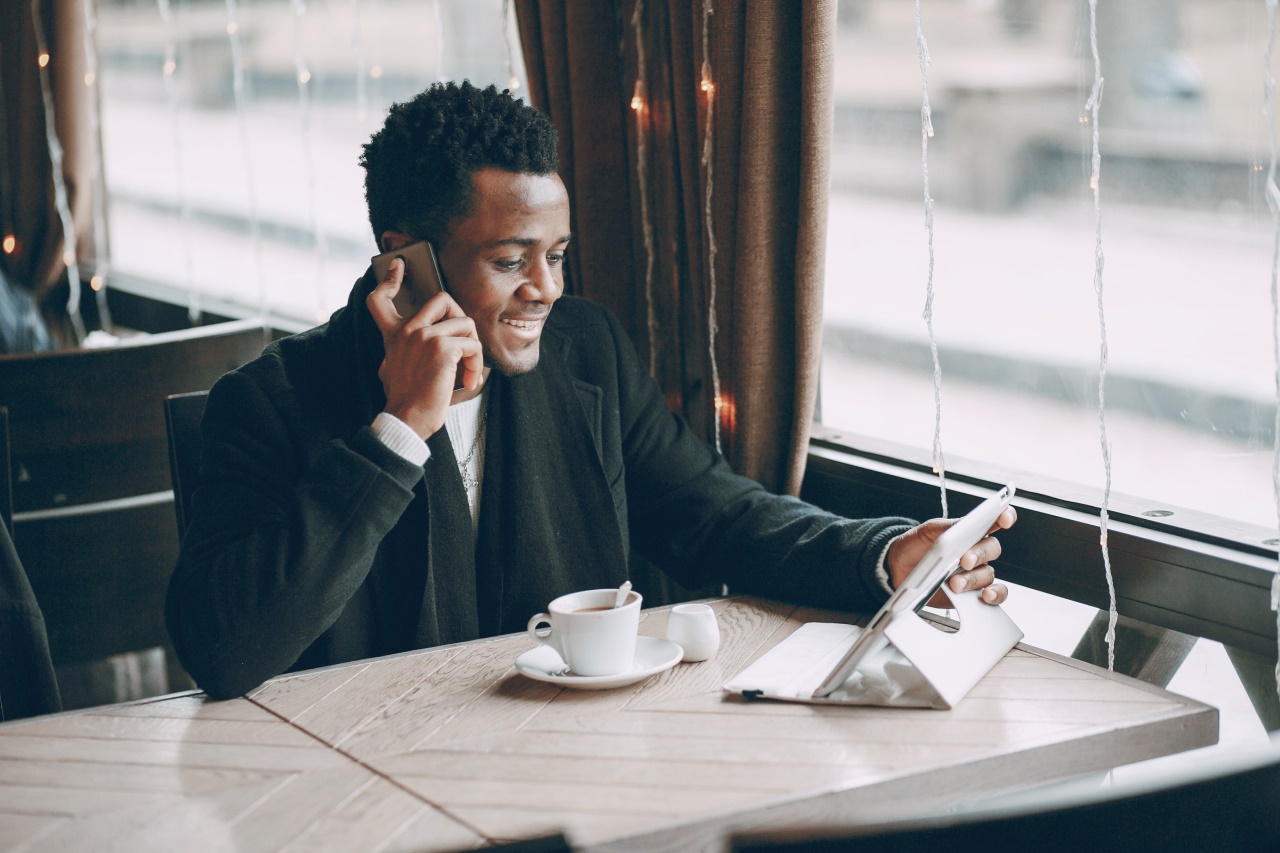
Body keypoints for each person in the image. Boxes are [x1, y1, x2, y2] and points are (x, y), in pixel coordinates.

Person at [166, 82, 1013, 700]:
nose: (546, 289)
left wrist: (886, 554)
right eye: (510, 260)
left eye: (557, 254)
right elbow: (223, 652)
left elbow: (716, 513)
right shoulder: (270, 401)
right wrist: (397, 431)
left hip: (576, 774)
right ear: (404, 261)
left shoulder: (587, 353)